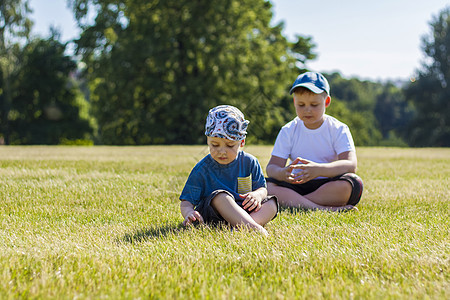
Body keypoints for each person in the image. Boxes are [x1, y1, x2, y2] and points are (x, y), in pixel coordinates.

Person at [266, 72, 363, 211]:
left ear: (327, 102)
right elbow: (272, 168)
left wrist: (318, 170)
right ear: (294, 102)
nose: (307, 110)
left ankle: (296, 203)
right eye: (301, 104)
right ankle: (321, 208)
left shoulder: (338, 128)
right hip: (296, 184)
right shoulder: (288, 130)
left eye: (314, 104)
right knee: (266, 186)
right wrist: (283, 173)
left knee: (353, 183)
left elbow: (350, 165)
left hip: (327, 183)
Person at [179, 105, 278, 235]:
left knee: (272, 203)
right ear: (208, 140)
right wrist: (189, 213)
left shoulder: (249, 162)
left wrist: (257, 195)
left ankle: (241, 228)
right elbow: (186, 202)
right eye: (214, 145)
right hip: (214, 215)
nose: (222, 151)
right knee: (220, 196)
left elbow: (262, 188)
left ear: (241, 142)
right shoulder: (202, 169)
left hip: (244, 209)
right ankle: (253, 228)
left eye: (230, 145)